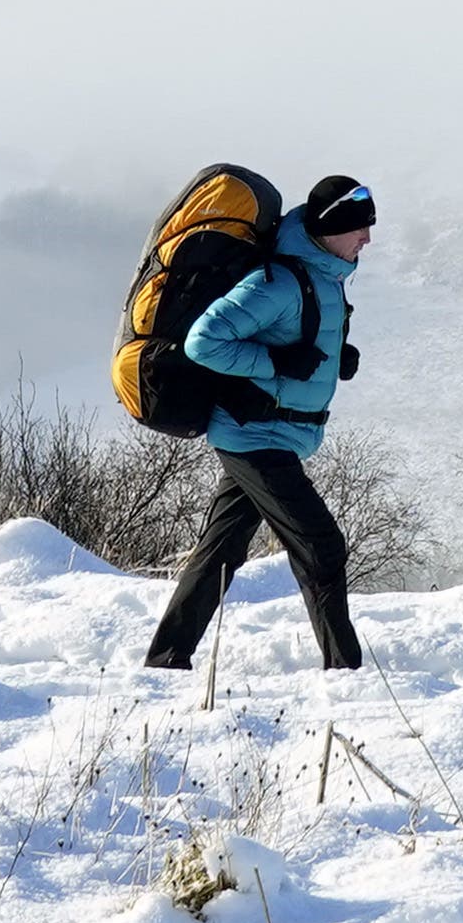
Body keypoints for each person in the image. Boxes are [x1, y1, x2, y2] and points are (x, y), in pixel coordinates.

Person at [147, 171, 375, 675]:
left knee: (221, 551)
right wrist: (277, 365)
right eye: (358, 227)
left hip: (272, 432)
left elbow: (292, 338)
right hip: (254, 435)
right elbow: (204, 342)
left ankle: (166, 659)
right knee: (321, 546)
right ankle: (346, 670)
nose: (367, 238)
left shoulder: (324, 275)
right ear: (328, 227)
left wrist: (334, 355)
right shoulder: (278, 283)